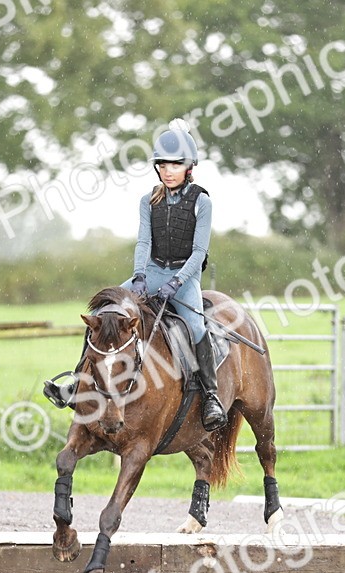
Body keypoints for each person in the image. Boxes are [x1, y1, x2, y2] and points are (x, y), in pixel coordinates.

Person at [121, 118, 226, 431]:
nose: (168, 170)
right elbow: (143, 242)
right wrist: (139, 276)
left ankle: (210, 395)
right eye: (163, 164)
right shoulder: (148, 200)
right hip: (152, 270)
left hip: (185, 276)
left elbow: (199, 253)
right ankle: (80, 383)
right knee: (107, 308)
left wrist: (178, 282)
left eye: (175, 165)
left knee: (195, 325)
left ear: (189, 166)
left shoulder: (202, 202)